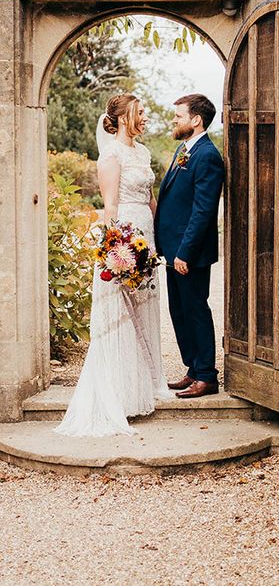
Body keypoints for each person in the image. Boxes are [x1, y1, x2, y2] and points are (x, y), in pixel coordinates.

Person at [54, 93, 170, 438]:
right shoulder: (111, 155)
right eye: (140, 112)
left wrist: (157, 241)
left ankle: (144, 386)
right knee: (121, 318)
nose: (145, 117)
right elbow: (110, 206)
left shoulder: (144, 152)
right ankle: (118, 394)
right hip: (123, 242)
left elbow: (150, 199)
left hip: (145, 239)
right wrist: (115, 252)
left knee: (144, 312)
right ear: (122, 118)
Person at [155, 94, 224, 398]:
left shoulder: (207, 155)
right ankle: (193, 369)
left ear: (196, 120)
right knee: (179, 310)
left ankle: (207, 376)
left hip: (189, 253)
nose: (174, 120)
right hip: (174, 250)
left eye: (179, 116)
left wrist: (186, 251)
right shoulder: (184, 149)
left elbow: (203, 210)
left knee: (195, 309)